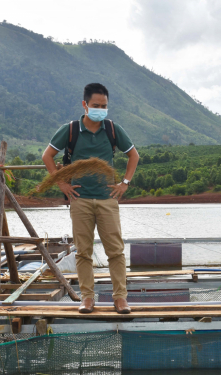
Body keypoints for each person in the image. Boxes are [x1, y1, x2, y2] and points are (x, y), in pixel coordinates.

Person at [42, 83, 139, 314]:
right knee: (83, 252)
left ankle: (120, 298)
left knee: (115, 251)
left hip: (107, 200)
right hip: (80, 200)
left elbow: (133, 155)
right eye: (95, 105)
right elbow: (47, 155)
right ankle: (87, 298)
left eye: (104, 106)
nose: (100, 109)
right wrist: (62, 184)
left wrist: (124, 183)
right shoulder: (71, 129)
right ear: (85, 105)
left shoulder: (113, 129)